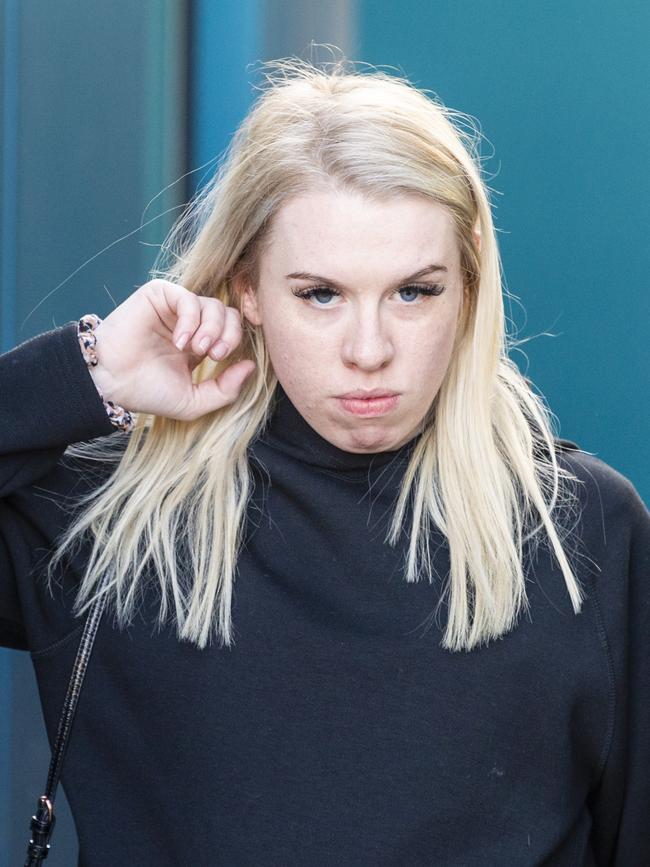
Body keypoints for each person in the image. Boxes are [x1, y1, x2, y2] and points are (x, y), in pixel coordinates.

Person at [1, 56, 648, 866]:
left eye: (414, 291)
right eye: (321, 294)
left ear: (470, 286)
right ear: (246, 290)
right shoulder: (113, 515)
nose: (369, 351)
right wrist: (86, 373)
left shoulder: (580, 530)